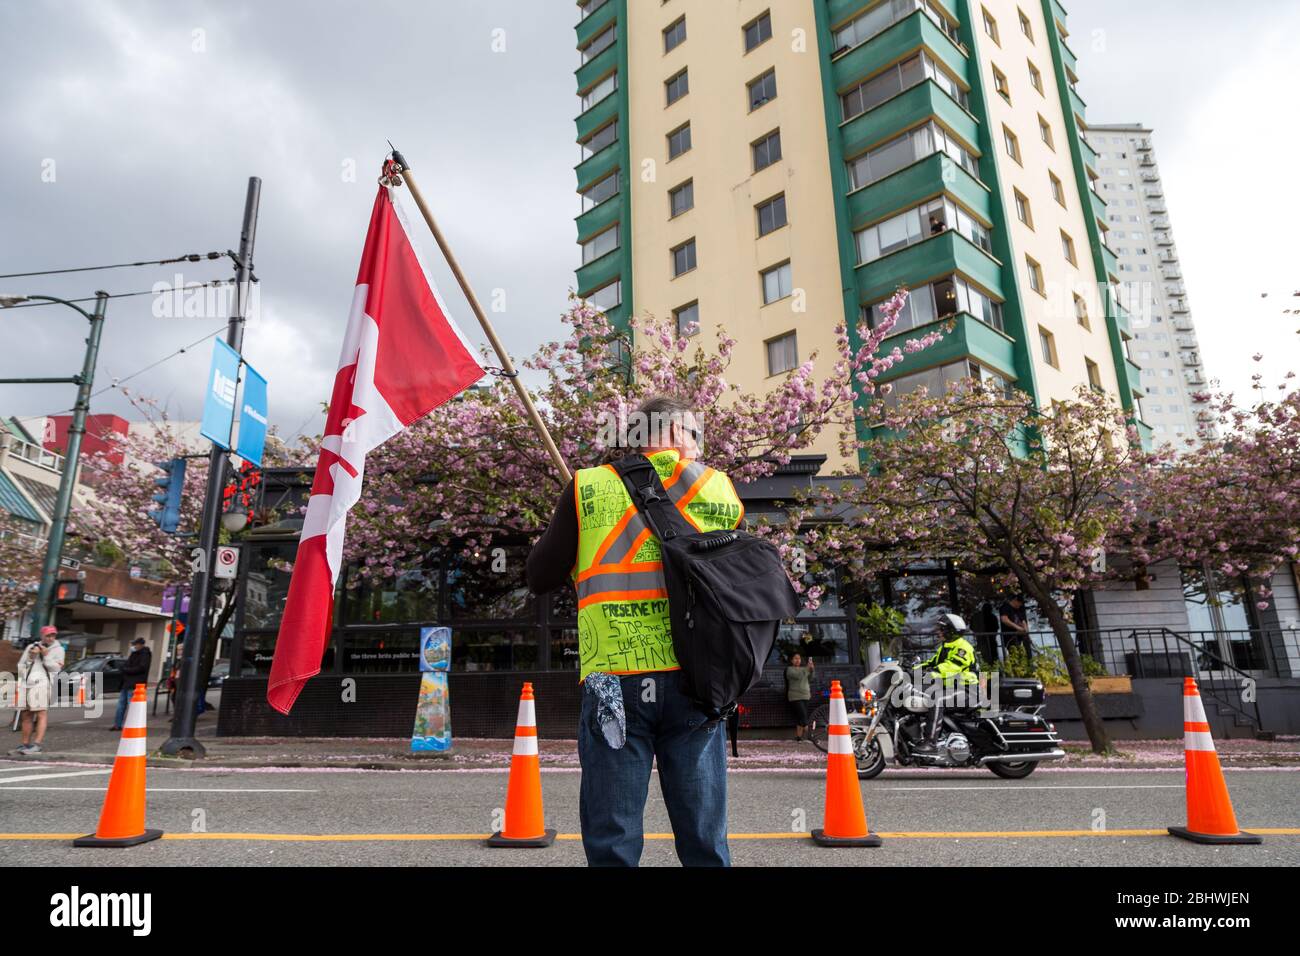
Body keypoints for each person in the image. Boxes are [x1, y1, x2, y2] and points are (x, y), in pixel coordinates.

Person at [526, 395, 745, 867]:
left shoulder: (587, 486)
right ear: (681, 433)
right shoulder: (717, 486)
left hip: (614, 677)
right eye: (695, 435)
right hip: (698, 677)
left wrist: (578, 525)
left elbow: (539, 576)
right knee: (704, 833)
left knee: (613, 835)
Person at [910, 613, 979, 755]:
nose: (938, 632)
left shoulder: (963, 648)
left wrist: (927, 675)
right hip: (953, 688)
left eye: (941, 629)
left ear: (951, 630)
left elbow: (950, 667)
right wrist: (911, 669)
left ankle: (931, 743)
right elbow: (932, 663)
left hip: (968, 691)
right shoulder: (946, 646)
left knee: (937, 699)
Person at [12, 625, 65, 755]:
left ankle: (37, 744)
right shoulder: (31, 647)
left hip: (42, 684)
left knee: (41, 713)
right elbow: (21, 666)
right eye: (48, 635)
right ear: (42, 635)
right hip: (27, 683)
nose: (51, 638)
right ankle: (25, 744)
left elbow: (57, 669)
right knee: (26, 714)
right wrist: (31, 656)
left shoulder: (59, 650)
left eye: (53, 635)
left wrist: (46, 656)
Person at [109, 637, 152, 731]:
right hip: (127, 682)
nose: (133, 646)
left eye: (135, 644)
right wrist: (124, 669)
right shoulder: (134, 654)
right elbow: (126, 665)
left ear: (141, 644)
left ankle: (131, 725)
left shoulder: (145, 654)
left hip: (135, 683)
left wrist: (126, 670)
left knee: (131, 705)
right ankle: (117, 724)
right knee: (121, 704)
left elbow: (142, 668)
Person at [785, 652, 814, 742]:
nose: (798, 660)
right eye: (795, 658)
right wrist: (807, 669)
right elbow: (798, 676)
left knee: (800, 718)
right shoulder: (789, 669)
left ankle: (798, 737)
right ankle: (812, 737)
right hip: (795, 696)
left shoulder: (804, 669)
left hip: (805, 695)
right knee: (803, 718)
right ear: (791, 660)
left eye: (799, 658)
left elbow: (810, 679)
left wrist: (812, 670)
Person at [998, 594, 1033, 659]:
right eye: (1019, 603)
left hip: (1020, 637)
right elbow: (1004, 619)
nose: (1019, 605)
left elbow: (1023, 620)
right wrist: (1018, 628)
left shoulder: (1018, 610)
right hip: (1010, 636)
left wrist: (1026, 630)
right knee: (1014, 655)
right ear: (1015, 600)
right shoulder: (1005, 607)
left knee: (1023, 654)